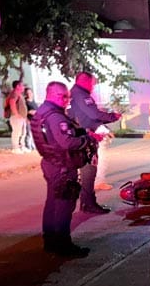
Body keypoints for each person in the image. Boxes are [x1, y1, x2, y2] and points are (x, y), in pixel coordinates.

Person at [31, 81, 98, 257]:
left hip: (50, 162)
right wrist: (87, 141)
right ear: (53, 94)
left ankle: (51, 241)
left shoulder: (42, 112)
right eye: (64, 96)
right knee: (64, 205)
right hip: (62, 166)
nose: (68, 100)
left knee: (52, 203)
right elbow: (67, 142)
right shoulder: (56, 116)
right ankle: (63, 244)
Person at [67, 72, 120, 214]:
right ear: (84, 81)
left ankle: (86, 202)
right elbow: (93, 114)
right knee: (89, 170)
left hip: (79, 135)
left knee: (86, 171)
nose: (93, 86)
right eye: (92, 83)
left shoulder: (74, 94)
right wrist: (112, 117)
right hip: (84, 136)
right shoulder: (80, 94)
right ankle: (87, 203)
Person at [5, 80, 28, 153]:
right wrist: (16, 114)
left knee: (23, 132)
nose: (23, 87)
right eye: (22, 85)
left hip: (22, 117)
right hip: (16, 117)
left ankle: (22, 146)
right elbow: (12, 103)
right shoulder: (14, 93)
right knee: (17, 132)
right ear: (18, 86)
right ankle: (15, 148)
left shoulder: (19, 94)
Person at [23, 86, 39, 150]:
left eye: (30, 92)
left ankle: (33, 147)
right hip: (29, 120)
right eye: (27, 93)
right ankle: (28, 147)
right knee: (29, 134)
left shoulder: (33, 101)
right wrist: (29, 112)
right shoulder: (25, 102)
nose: (29, 94)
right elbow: (24, 111)